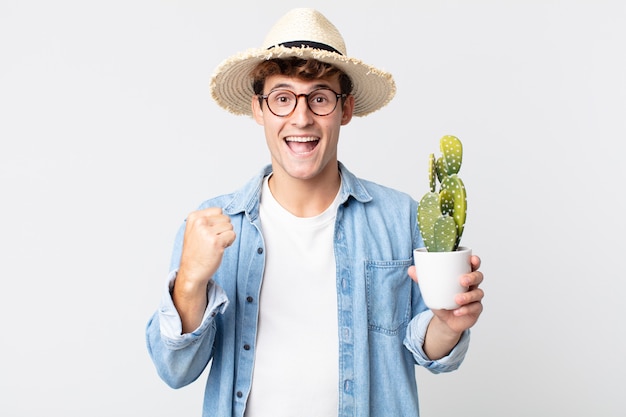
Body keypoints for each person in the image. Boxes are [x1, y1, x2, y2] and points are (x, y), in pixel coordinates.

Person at [146, 7, 484, 417]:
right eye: (283, 98)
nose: (301, 117)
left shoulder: (399, 217)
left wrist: (448, 324)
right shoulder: (211, 225)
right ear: (259, 109)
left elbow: (425, 348)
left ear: (345, 109)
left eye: (320, 97)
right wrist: (190, 283)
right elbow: (175, 370)